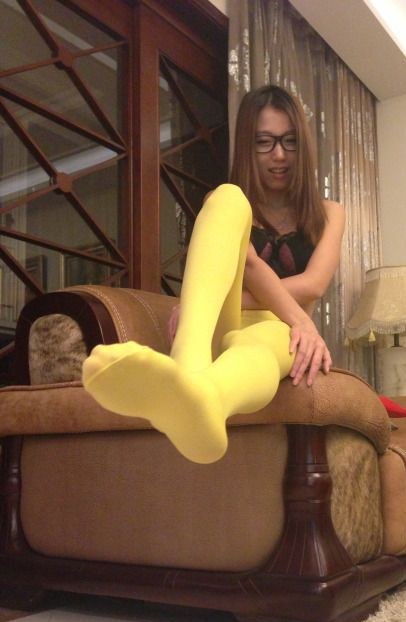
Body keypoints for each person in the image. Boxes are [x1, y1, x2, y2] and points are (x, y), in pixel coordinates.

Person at [82, 85, 345, 464]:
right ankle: (187, 365)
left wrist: (201, 299)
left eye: (289, 142)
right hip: (220, 330)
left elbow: (312, 285)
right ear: (247, 146)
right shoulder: (225, 208)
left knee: (263, 342)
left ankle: (203, 400)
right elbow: (249, 266)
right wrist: (204, 305)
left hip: (285, 332)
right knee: (227, 196)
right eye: (264, 142)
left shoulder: (330, 212)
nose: (279, 155)